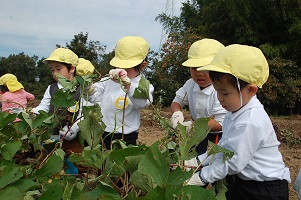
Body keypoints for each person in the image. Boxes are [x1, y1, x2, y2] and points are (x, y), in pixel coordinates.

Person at [186, 44, 291, 199]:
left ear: (251, 90)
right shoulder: (234, 110)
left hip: (264, 189)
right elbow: (223, 147)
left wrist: (202, 177)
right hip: (243, 179)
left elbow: (233, 161)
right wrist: (198, 161)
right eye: (217, 92)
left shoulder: (250, 121)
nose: (220, 98)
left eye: (225, 93)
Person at [85, 36, 154, 149]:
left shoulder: (144, 85)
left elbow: (142, 103)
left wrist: (128, 85)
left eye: (126, 68)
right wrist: (88, 88)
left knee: (122, 165)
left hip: (126, 137)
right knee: (103, 165)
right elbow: (94, 96)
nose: (121, 71)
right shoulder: (108, 81)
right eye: (119, 65)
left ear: (142, 66)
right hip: (103, 134)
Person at [31, 48, 93, 174]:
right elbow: (44, 106)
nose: (55, 73)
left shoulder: (81, 88)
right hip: (53, 136)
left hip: (75, 138)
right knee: (47, 164)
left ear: (72, 68)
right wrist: (32, 111)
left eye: (58, 69)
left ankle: (77, 185)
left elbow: (83, 112)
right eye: (52, 70)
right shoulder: (51, 88)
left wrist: (75, 128)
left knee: (79, 164)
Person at [170, 39, 227, 154]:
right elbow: (177, 101)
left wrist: (193, 126)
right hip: (195, 135)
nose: (199, 73)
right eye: (195, 68)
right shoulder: (190, 84)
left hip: (215, 137)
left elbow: (220, 123)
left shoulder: (220, 90)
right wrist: (177, 113)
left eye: (205, 68)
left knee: (207, 163)